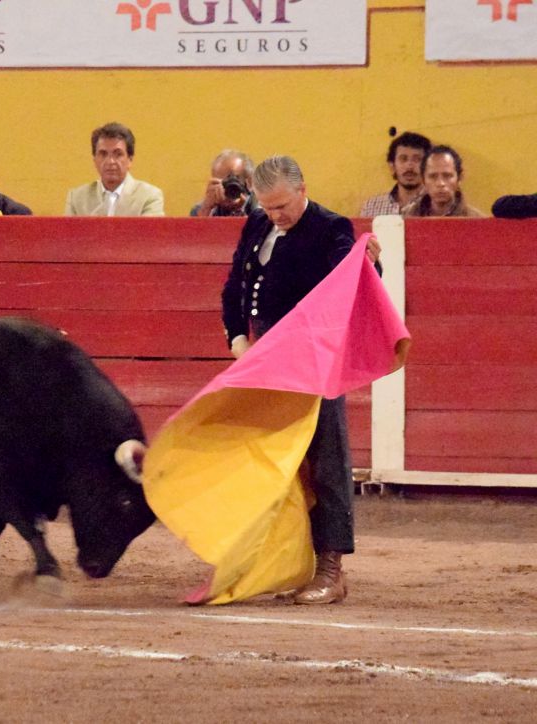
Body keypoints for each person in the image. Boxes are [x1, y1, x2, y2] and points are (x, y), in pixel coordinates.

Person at [221, 155, 381, 605]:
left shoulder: (331, 228)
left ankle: (331, 568)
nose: (276, 216)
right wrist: (238, 340)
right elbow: (235, 286)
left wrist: (368, 264)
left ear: (303, 189)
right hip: (264, 357)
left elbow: (352, 280)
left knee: (326, 458)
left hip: (314, 358)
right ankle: (290, 564)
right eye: (268, 208)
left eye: (283, 207)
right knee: (278, 465)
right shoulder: (255, 225)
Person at [65, 122, 164, 217]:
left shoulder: (149, 196)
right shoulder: (77, 198)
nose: (110, 161)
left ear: (130, 159)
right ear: (94, 160)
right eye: (103, 154)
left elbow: (149, 234)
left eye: (118, 154)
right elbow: (68, 234)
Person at [359, 131, 431, 217]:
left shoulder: (436, 205)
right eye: (403, 159)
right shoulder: (371, 207)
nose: (409, 166)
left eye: (417, 159)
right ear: (392, 166)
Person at [402, 145, 484, 218]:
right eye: (433, 176)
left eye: (447, 176)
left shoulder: (477, 221)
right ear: (423, 180)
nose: (440, 183)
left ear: (459, 178)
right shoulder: (404, 219)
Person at [190, 149, 258, 217]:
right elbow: (194, 227)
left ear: (250, 183)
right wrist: (206, 209)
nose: (228, 189)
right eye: (222, 183)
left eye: (233, 182)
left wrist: (239, 212)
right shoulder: (200, 210)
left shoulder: (264, 208)